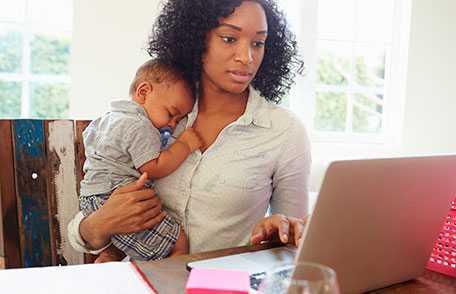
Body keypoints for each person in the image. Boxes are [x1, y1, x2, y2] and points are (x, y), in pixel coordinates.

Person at [68, 0, 311, 258]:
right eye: (229, 39)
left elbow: (294, 242)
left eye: (258, 43)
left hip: (223, 284)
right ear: (196, 39)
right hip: (141, 279)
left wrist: (275, 235)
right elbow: (85, 224)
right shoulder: (159, 112)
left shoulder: (284, 131)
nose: (246, 57)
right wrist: (98, 226)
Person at [78, 59, 203, 262]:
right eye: (171, 114)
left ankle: (110, 257)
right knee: (178, 242)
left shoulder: (108, 119)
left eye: (179, 120)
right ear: (144, 92)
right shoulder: (139, 126)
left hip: (93, 197)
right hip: (112, 198)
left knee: (124, 247)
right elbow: (154, 167)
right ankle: (172, 278)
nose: (172, 125)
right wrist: (185, 145)